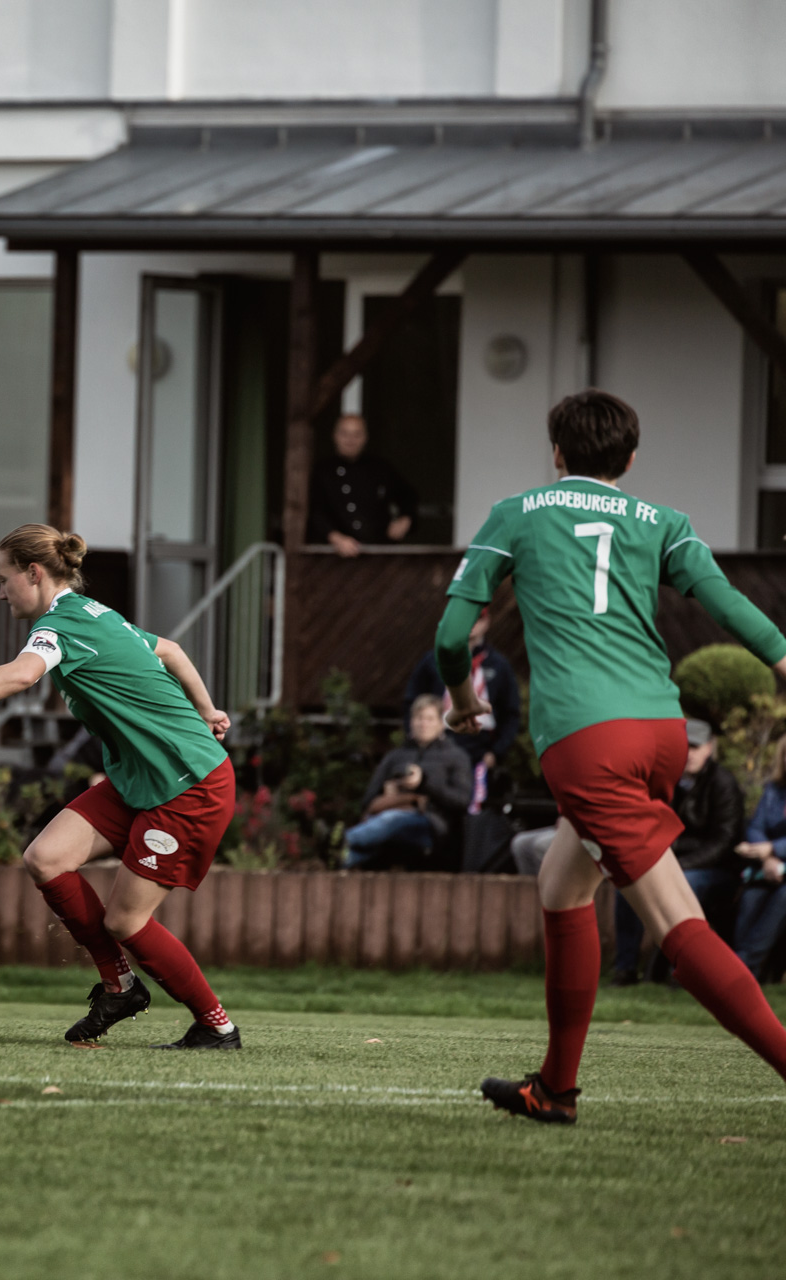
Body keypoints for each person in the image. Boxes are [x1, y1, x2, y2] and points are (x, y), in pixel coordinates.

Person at [445, 389, 786, 1123]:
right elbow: (724, 601)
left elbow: (451, 635)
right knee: (562, 886)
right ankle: (555, 1089)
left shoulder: (516, 513)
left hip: (585, 740)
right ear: (630, 459)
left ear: (557, 454)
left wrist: (463, 698)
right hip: (662, 731)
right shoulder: (663, 522)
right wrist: (784, 659)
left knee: (674, 920)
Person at [0, 523, 238, 1049]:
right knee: (46, 858)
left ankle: (217, 1026)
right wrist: (207, 708)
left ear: (34, 573)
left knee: (125, 920)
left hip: (190, 786)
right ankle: (119, 987)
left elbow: (20, 676)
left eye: (4, 579)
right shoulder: (95, 613)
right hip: (143, 779)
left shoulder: (62, 626)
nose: (0, 592)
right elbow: (172, 650)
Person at [611, 719, 743, 985]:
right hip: (673, 859)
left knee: (686, 885)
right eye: (685, 747)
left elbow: (724, 842)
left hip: (716, 870)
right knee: (626, 886)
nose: (690, 753)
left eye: (696, 747)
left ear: (709, 748)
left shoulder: (723, 783)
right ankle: (625, 969)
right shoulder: (666, 779)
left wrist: (682, 865)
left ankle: (673, 970)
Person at [341, 695, 473, 871]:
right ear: (411, 722)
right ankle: (341, 857)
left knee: (391, 820)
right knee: (383, 830)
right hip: (388, 820)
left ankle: (343, 841)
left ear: (441, 724)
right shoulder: (395, 756)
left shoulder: (456, 757)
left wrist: (424, 783)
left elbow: (462, 801)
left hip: (432, 825)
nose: (423, 724)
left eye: (429, 718)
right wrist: (389, 793)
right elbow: (367, 800)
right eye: (419, 718)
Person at [402, 607, 520, 769]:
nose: (470, 623)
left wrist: (496, 752)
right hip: (437, 747)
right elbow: (411, 701)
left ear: (486, 622)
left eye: (477, 619)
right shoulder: (434, 660)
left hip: (480, 749)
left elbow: (511, 713)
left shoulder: (499, 665)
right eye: (465, 617)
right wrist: (414, 736)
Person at [307, 413, 418, 557]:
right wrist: (335, 537)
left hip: (378, 553)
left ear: (365, 437)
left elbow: (409, 496)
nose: (350, 440)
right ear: (335, 436)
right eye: (345, 433)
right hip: (333, 557)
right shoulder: (322, 471)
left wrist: (405, 519)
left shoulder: (380, 468)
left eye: (356, 434)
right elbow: (314, 511)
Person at [732, 739, 786, 981]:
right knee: (751, 898)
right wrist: (767, 858)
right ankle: (741, 965)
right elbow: (756, 826)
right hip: (767, 868)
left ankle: (743, 968)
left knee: (783, 898)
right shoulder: (773, 790)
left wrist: (772, 848)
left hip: (780, 868)